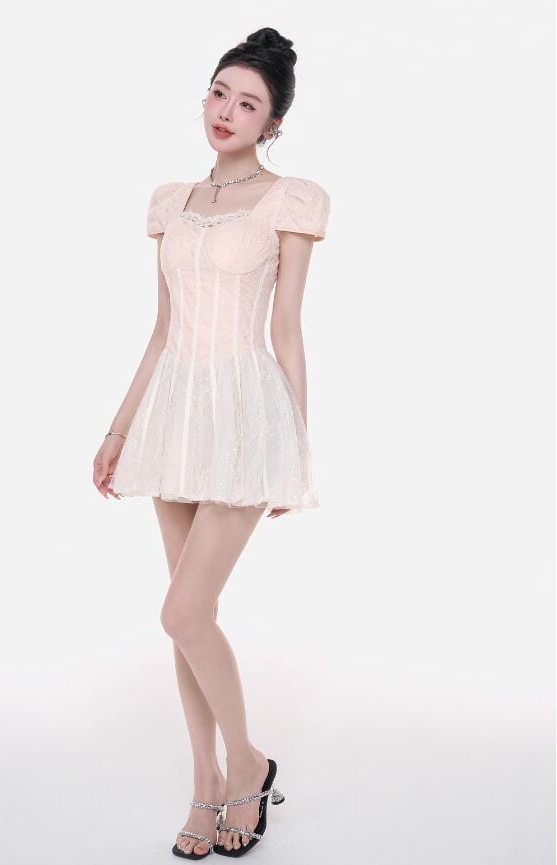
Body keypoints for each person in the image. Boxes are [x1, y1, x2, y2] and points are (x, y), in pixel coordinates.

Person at [93, 27, 329, 859]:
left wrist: (295, 443)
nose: (227, 110)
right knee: (188, 621)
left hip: (245, 414)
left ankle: (249, 765)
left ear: (273, 123)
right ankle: (206, 783)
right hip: (175, 412)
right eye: (220, 92)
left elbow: (287, 327)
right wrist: (119, 427)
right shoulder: (172, 201)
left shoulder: (291, 199)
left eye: (248, 103)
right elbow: (162, 330)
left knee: (183, 611)